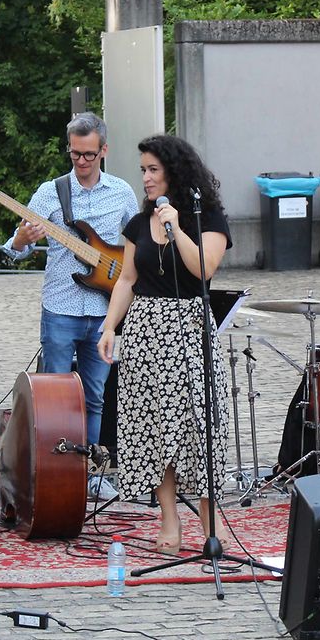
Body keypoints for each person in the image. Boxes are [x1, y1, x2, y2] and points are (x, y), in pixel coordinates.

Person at [96, 135, 231, 554]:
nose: (147, 178)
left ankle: (209, 521)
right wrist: (109, 327)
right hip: (144, 332)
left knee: (200, 425)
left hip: (190, 329)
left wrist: (176, 228)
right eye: (143, 170)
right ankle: (169, 519)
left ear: (175, 171)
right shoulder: (138, 224)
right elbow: (127, 279)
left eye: (153, 170)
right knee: (154, 428)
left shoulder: (207, 217)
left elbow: (203, 269)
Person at [2, 113, 138, 497]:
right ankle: (52, 473)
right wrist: (22, 240)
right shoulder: (51, 192)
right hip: (61, 307)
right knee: (53, 400)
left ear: (104, 150)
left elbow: (140, 243)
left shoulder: (122, 192)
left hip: (104, 312)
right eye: (75, 153)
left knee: (94, 397)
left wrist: (129, 273)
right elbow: (15, 249)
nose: (81, 161)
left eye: (89, 154)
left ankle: (89, 475)